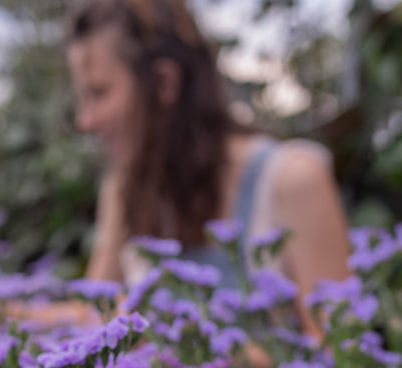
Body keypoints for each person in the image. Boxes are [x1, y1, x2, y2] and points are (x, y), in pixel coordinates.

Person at [66, 0, 352, 342]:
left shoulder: (292, 178)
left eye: (98, 93)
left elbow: (338, 353)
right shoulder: (124, 186)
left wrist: (181, 345)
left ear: (163, 83)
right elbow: (91, 311)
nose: (85, 121)